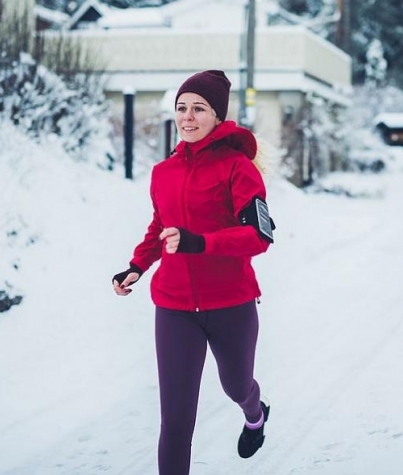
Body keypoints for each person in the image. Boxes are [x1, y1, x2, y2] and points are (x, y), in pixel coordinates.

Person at [111, 69, 274, 474]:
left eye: (198, 108)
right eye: (182, 107)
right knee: (176, 420)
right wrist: (137, 265)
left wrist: (201, 241)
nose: (187, 117)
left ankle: (255, 413)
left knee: (237, 385)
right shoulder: (164, 172)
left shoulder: (239, 168)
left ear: (217, 117)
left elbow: (258, 236)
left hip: (231, 303)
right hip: (175, 307)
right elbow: (159, 226)